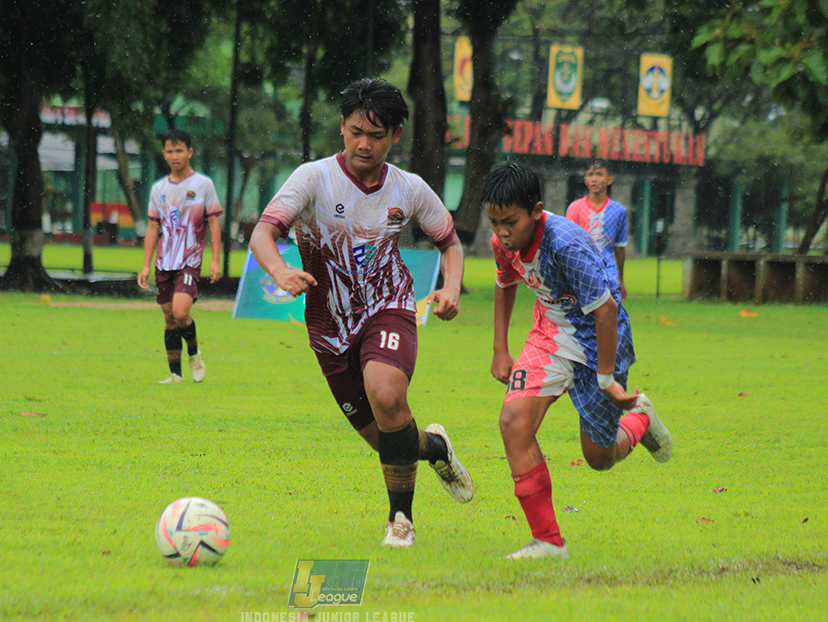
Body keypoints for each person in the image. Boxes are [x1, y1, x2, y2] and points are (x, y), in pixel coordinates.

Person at [249, 78, 474, 548]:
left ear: (395, 135)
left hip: (387, 306)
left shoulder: (408, 188)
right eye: (355, 132)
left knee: (387, 394)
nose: (364, 144)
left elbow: (450, 243)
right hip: (329, 327)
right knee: (388, 440)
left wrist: (450, 288)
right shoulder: (313, 178)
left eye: (376, 135)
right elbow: (263, 234)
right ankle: (434, 447)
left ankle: (401, 522)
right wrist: (280, 270)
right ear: (342, 128)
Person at [484, 161, 672, 560]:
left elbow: (605, 312)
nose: (501, 232)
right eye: (494, 221)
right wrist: (500, 348)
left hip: (598, 342)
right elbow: (505, 282)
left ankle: (640, 418)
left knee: (598, 458)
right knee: (512, 422)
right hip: (549, 336)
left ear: (536, 211)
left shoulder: (566, 244)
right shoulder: (502, 240)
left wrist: (607, 380)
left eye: (510, 222)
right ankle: (549, 542)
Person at [138, 129, 223, 384]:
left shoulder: (203, 185)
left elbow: (214, 222)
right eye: (170, 151)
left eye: (179, 150)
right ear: (164, 154)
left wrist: (216, 259)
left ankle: (194, 352)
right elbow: (153, 227)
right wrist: (145, 265)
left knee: (180, 312)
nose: (175, 156)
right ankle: (175, 375)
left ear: (189, 152)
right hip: (164, 261)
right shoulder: (158, 189)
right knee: (168, 317)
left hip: (190, 259)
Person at [565, 158, 628, 300]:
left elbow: (619, 247)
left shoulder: (619, 211)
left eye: (599, 174)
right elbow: (567, 245)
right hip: (580, 272)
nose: (594, 179)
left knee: (611, 316)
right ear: (585, 179)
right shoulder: (575, 208)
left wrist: (621, 280)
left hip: (609, 274)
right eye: (590, 174)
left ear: (609, 179)